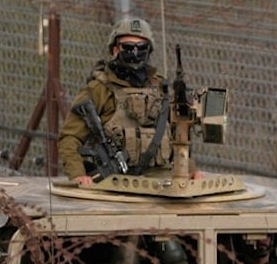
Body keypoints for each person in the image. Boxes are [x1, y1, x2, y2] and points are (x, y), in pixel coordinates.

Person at [58, 17, 201, 185]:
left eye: (141, 48)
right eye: (127, 47)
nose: (134, 53)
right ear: (115, 49)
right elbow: (70, 138)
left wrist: (189, 170)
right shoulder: (99, 89)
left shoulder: (162, 89)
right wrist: (78, 175)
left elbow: (179, 135)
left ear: (148, 51)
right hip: (114, 184)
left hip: (161, 183)